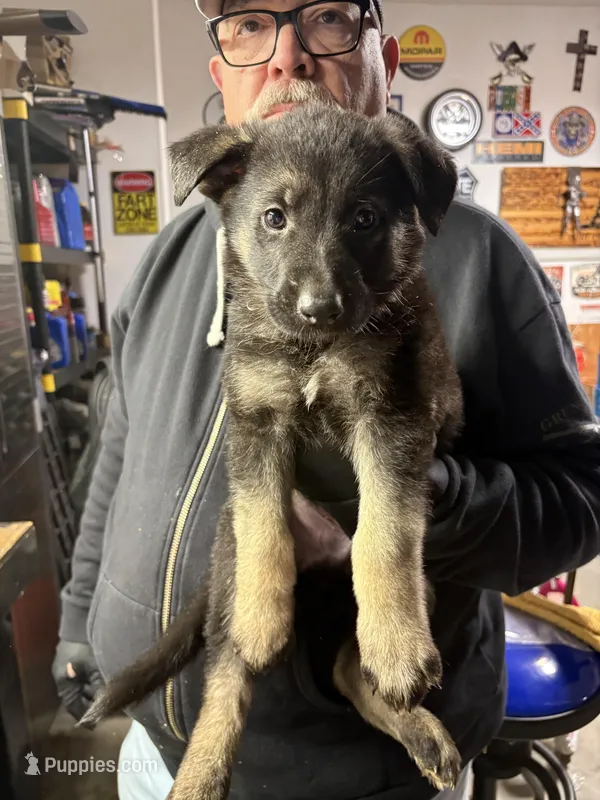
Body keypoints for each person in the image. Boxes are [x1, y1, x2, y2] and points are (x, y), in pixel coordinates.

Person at [52, 1, 600, 798]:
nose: (289, 57)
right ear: (222, 75)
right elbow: (117, 453)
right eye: (248, 25)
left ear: (384, 53)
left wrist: (413, 504)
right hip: (153, 754)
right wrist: (79, 624)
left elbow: (583, 499)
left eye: (329, 17)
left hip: (362, 777)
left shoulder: (481, 260)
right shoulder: (169, 255)